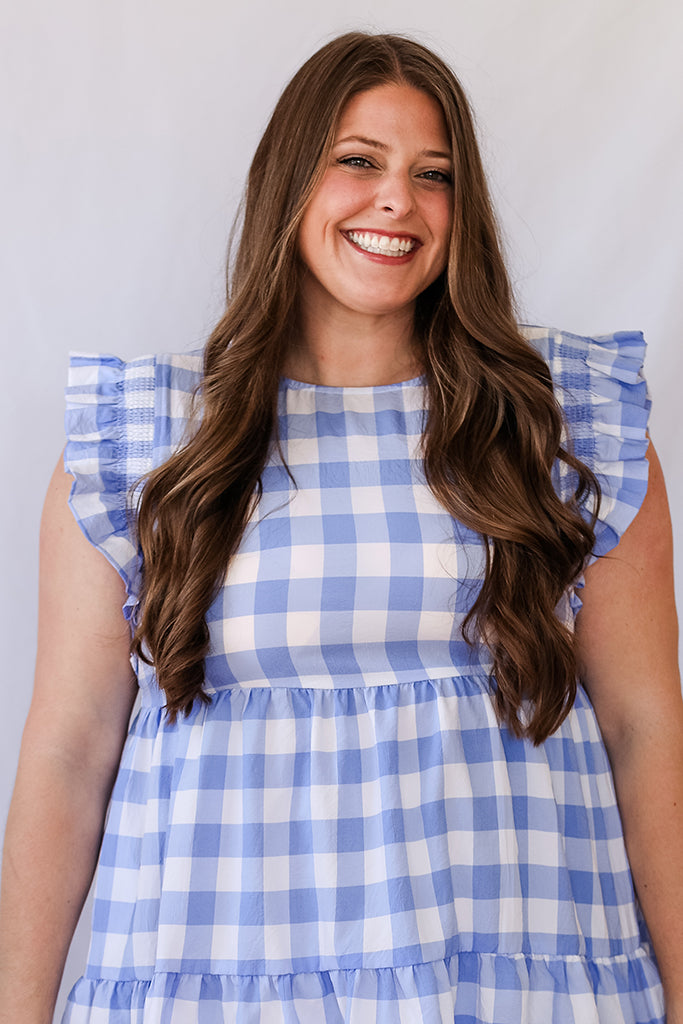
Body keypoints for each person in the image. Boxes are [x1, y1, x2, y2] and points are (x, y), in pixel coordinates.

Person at [0, 30, 681, 1024]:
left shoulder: (565, 428)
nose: (396, 199)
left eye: (432, 175)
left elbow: (643, 728)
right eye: (357, 160)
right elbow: (66, 753)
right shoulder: (144, 442)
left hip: (508, 984)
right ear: (290, 184)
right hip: (215, 988)